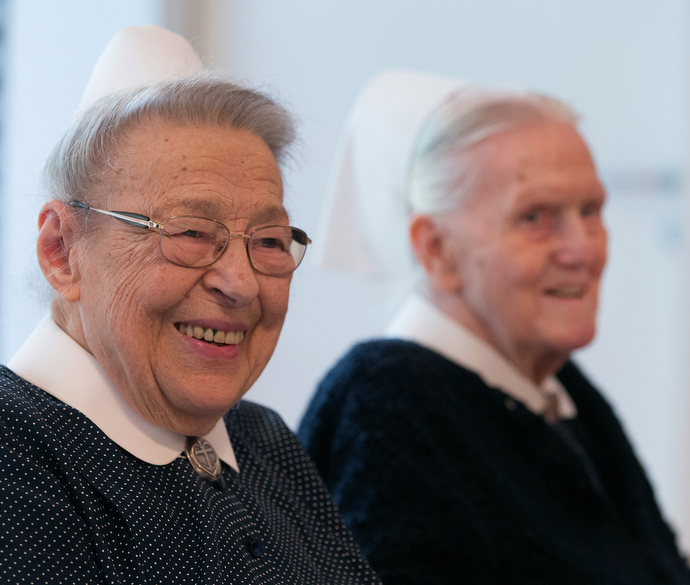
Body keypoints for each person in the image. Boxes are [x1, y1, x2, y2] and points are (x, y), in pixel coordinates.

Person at [0, 26, 380, 585]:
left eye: (270, 241)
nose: (241, 284)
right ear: (62, 252)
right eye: (191, 232)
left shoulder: (263, 441)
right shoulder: (17, 453)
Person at [298, 70, 690, 584]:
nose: (583, 250)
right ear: (436, 249)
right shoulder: (386, 404)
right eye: (535, 218)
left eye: (590, 210)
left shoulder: (556, 388)